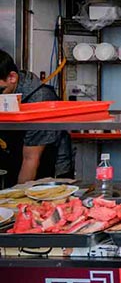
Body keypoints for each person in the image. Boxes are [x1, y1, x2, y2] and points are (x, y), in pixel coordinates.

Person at [0, 50, 72, 184]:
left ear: (12, 77)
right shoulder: (7, 92)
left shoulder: (40, 100)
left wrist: (15, 199)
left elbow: (31, 158)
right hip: (13, 163)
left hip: (47, 173)